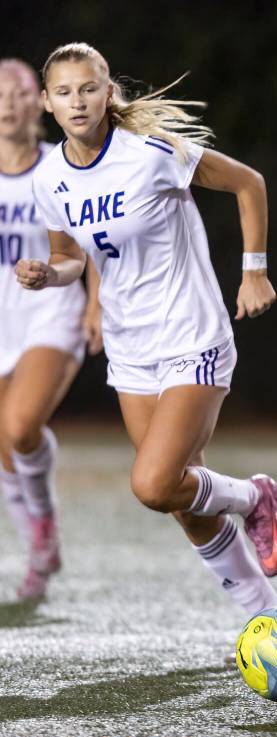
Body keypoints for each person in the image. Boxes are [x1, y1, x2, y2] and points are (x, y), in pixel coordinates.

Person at [16, 43, 277, 618]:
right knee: (181, 498)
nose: (78, 101)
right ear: (47, 103)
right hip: (130, 347)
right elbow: (69, 257)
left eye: (88, 88)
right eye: (63, 92)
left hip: (192, 335)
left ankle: (255, 494)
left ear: (108, 91)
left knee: (154, 484)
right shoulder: (47, 179)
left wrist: (255, 271)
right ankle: (266, 617)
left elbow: (250, 183)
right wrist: (49, 275)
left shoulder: (152, 153)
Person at [0, 58, 101, 600]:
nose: (7, 103)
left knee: (20, 427)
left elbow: (101, 235)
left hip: (50, 310)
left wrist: (96, 302)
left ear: (39, 101)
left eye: (17, 93)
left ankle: (41, 527)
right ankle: (41, 544)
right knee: (4, 445)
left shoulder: (59, 167)